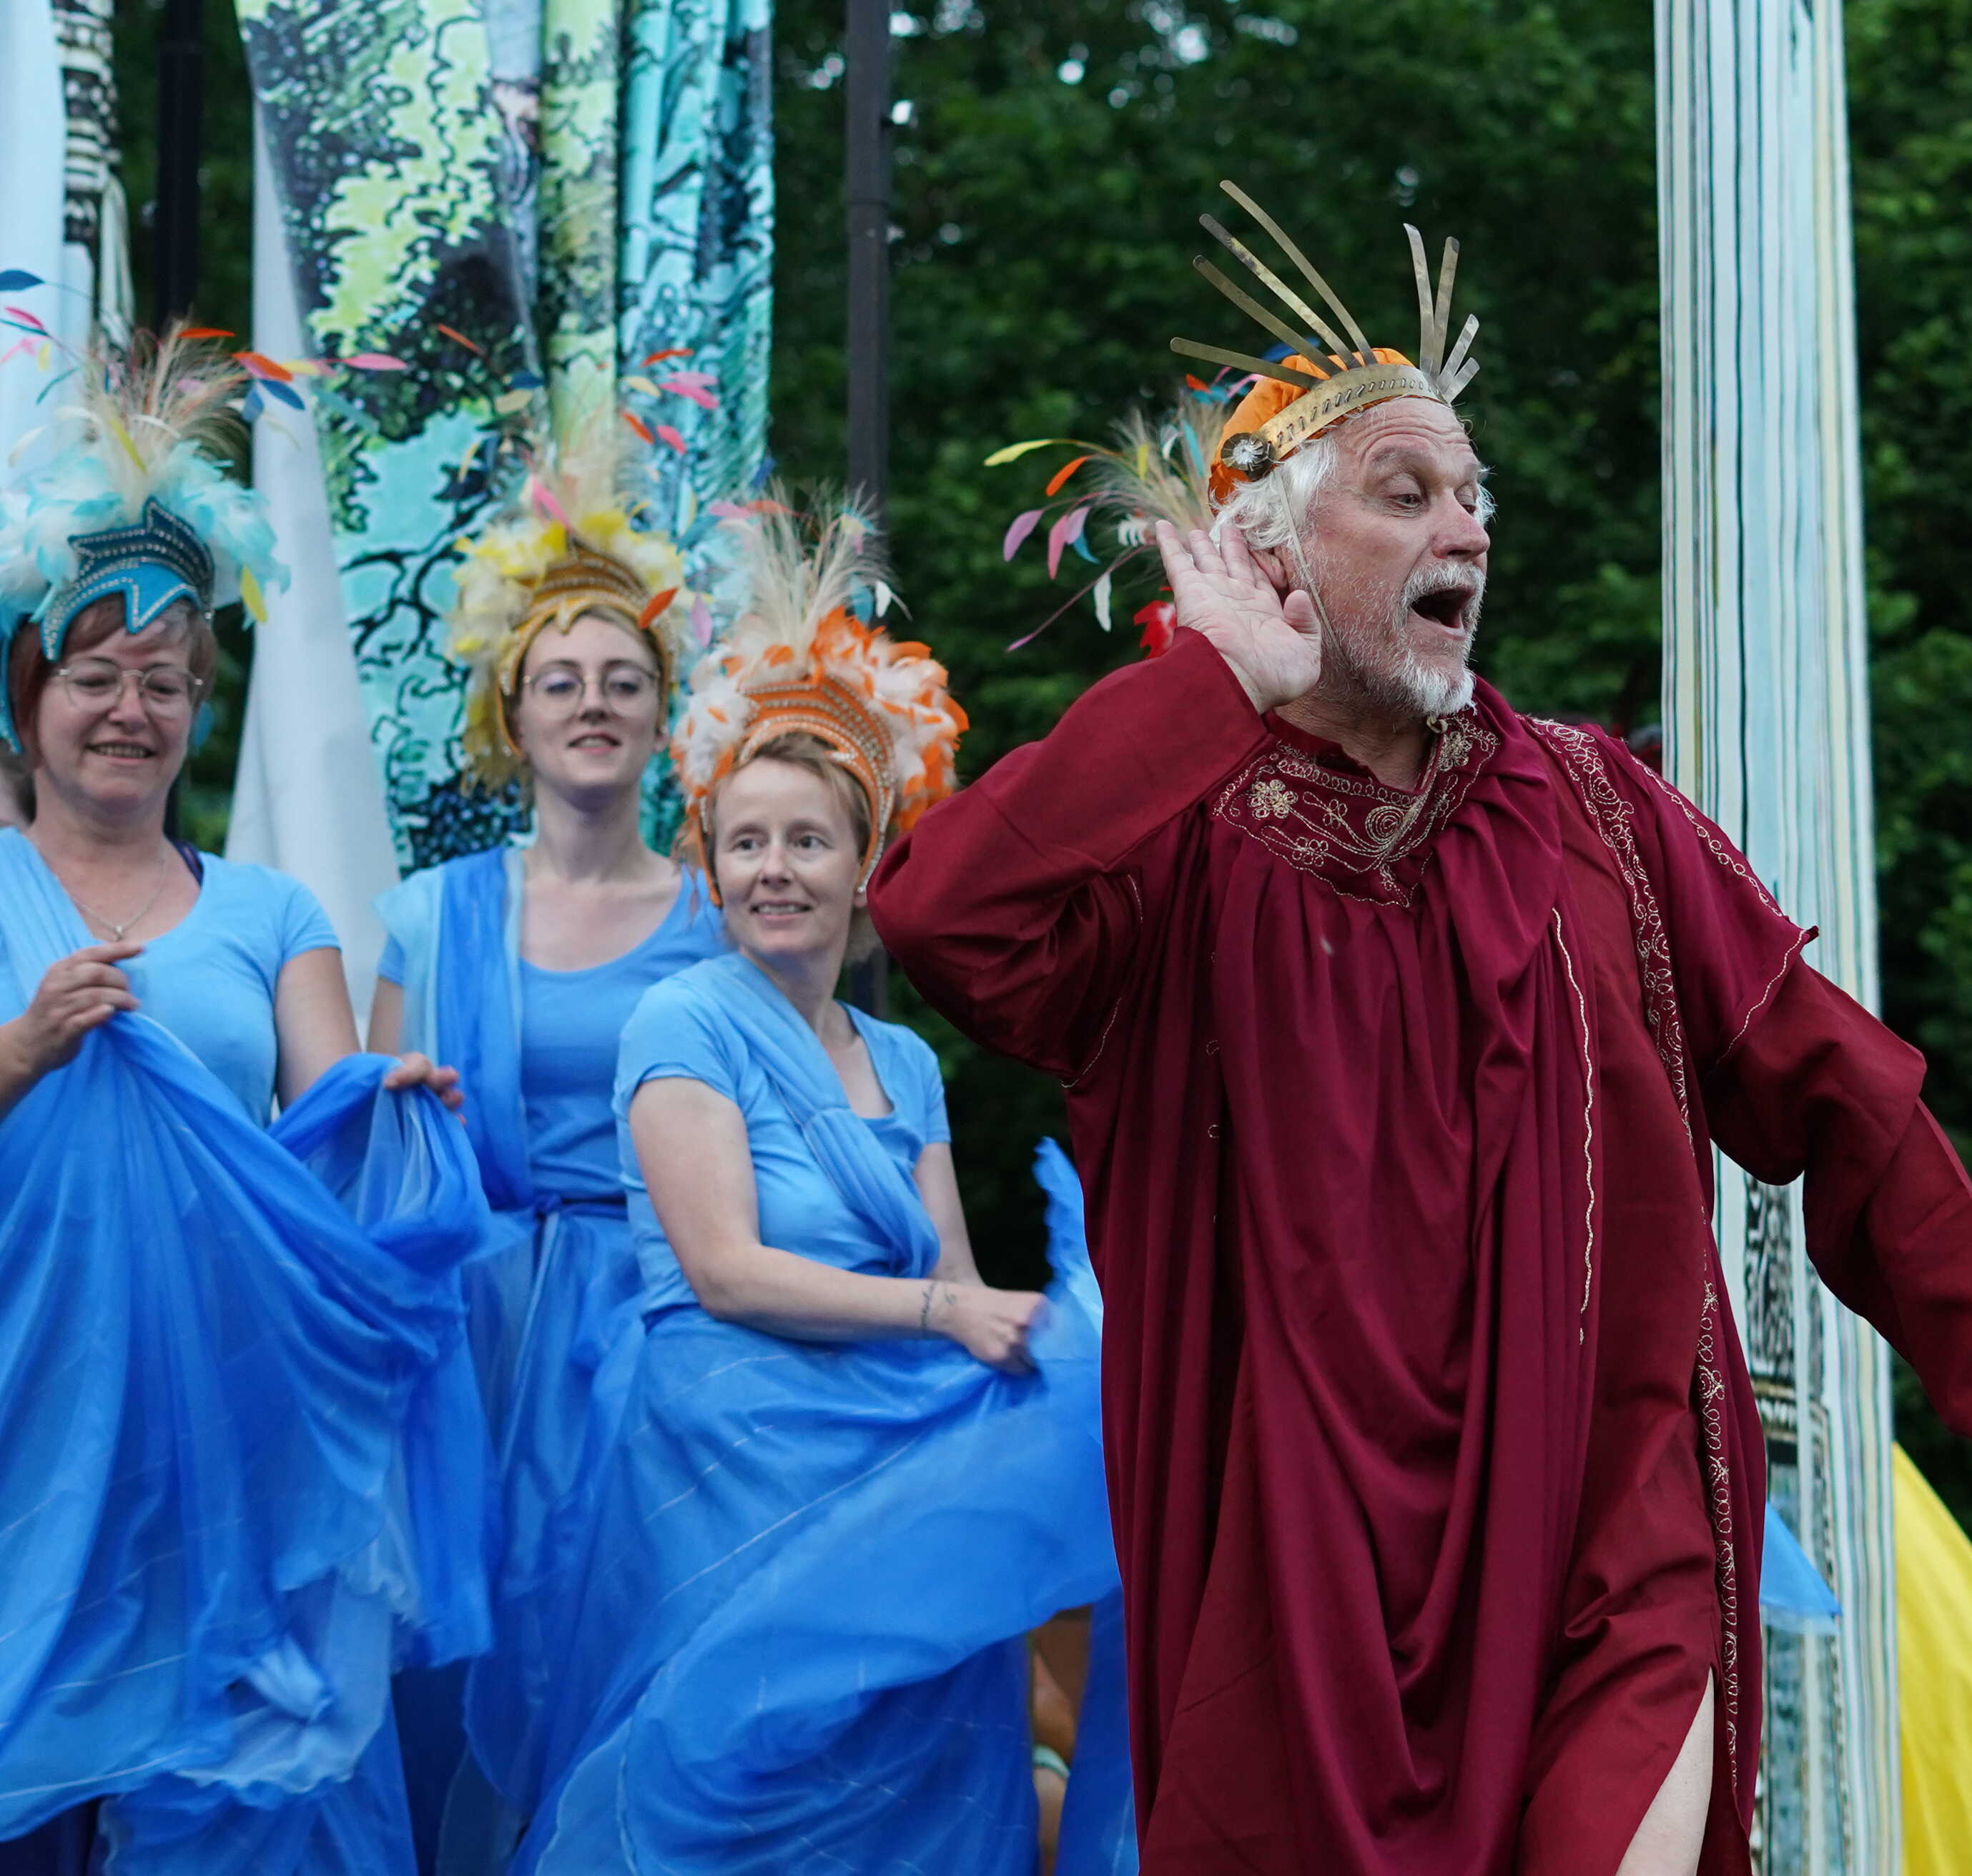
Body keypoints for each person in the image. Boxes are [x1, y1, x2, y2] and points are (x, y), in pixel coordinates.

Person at [871, 186, 1972, 1876]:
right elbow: (944, 918)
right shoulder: (1174, 845)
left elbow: (1850, 1101)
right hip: (1299, 1602)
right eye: (1406, 491)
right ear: (1274, 556)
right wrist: (1208, 687)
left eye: (1475, 494)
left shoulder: (1604, 815)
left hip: (1610, 1559)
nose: (1469, 527)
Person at [513, 497, 1130, 1875]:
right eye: (745, 844)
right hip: (725, 1469)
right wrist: (948, 1317)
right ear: (711, 869)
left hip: (893, 1470)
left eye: (808, 841)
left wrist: (1056, 1340)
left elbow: (956, 1276)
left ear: (866, 868)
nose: (774, 871)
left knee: (914, 1771)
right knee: (727, 1783)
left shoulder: (904, 1059)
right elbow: (727, 1272)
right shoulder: (678, 1021)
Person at [0, 330, 485, 1875]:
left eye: (164, 682)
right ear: (28, 699)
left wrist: (389, 1097)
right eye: (93, 678)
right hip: (20, 1388)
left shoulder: (274, 911)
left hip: (208, 1402)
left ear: (200, 708)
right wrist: (24, 1048)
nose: (127, 710)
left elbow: (321, 1113)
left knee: (190, 1777)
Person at [360, 410, 726, 1855]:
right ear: (509, 717)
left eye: (624, 682)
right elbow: (374, 1154)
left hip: (647, 1330)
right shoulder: (429, 912)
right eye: (561, 681)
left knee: (618, 1659)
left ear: (660, 714)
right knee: (452, 1672)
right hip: (469, 1337)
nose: (593, 704)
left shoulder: (718, 916)